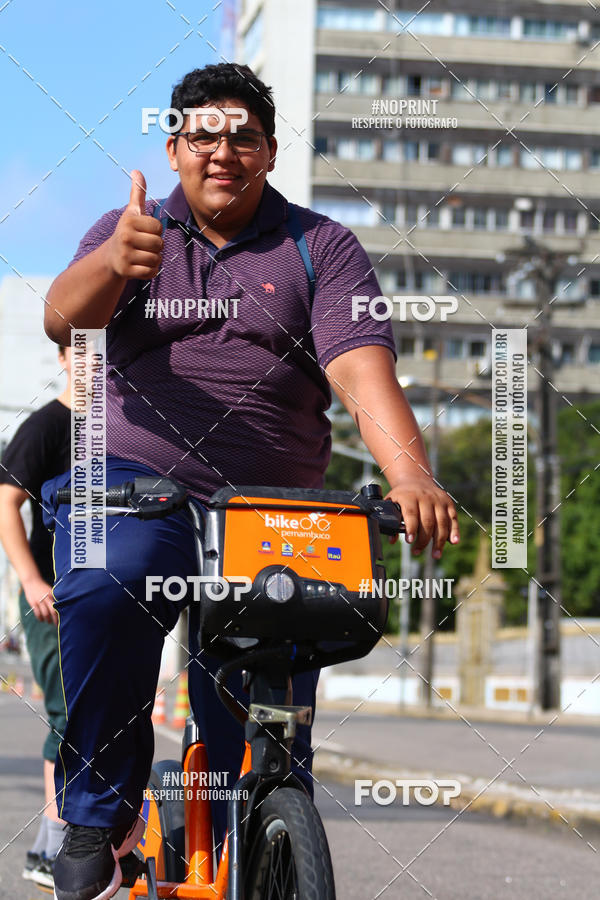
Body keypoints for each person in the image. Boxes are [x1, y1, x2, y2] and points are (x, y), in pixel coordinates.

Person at [42, 63, 459, 900]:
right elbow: (62, 316)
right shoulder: (129, 230)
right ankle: (99, 806)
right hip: (138, 483)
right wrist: (115, 264)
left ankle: (266, 829)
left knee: (256, 736)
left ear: (268, 153)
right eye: (204, 134)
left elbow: (361, 368)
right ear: (175, 148)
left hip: (272, 508)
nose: (223, 150)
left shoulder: (321, 247)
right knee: (107, 578)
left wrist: (412, 474)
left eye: (245, 136)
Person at [0, 344, 71, 889]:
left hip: (107, 593)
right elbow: (7, 502)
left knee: (113, 715)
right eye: (84, 349)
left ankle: (86, 839)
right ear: (64, 357)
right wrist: (30, 580)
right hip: (51, 597)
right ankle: (50, 847)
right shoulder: (47, 426)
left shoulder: (121, 429)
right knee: (68, 715)